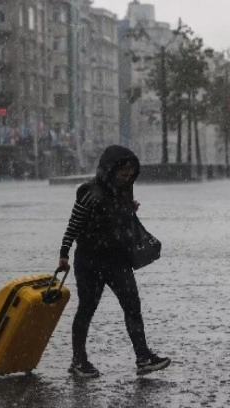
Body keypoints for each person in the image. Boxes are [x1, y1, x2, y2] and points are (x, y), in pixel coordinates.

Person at [58, 145, 171, 378]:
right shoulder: (90, 192)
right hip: (90, 260)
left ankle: (143, 357)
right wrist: (64, 254)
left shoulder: (123, 192)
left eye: (130, 175)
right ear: (109, 170)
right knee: (87, 309)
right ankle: (78, 361)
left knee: (132, 306)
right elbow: (74, 224)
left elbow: (117, 222)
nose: (126, 178)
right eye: (122, 174)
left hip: (117, 260)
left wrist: (128, 209)